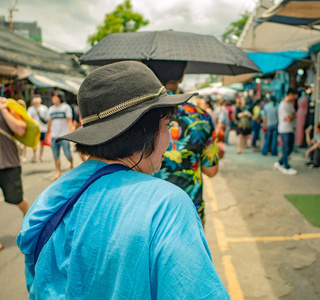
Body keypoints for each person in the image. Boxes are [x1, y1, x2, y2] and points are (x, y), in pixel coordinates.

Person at [17, 61, 229, 298]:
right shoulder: (167, 206)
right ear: (144, 131)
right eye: (166, 125)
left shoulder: (49, 198)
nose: (170, 141)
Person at [144, 60, 220, 226]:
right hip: (189, 212)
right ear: (182, 75)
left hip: (146, 211)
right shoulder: (201, 117)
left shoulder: (139, 115)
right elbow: (211, 170)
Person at [0, 97, 30, 251]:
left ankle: (29, 217)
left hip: (8, 162)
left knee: (16, 198)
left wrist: (4, 110)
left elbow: (20, 129)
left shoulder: (8, 106)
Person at [47, 90, 75, 181]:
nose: (53, 99)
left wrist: (70, 134)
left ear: (59, 98)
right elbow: (49, 123)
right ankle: (58, 172)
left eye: (55, 97)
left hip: (64, 135)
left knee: (67, 154)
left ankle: (71, 164)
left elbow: (69, 122)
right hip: (54, 136)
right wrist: (48, 134)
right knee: (56, 155)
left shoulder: (66, 107)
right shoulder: (51, 109)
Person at [274, 88, 298, 175]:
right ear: (291, 94)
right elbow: (288, 118)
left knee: (289, 148)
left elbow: (293, 115)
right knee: (286, 148)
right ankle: (285, 166)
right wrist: (291, 117)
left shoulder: (290, 104)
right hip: (284, 129)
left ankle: (280, 162)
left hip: (290, 128)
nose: (295, 97)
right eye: (295, 95)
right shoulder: (283, 105)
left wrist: (291, 117)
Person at [27, 94, 49, 163]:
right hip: (34, 129)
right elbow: (29, 118)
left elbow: (47, 119)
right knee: (35, 143)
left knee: (42, 143)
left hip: (43, 128)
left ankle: (40, 156)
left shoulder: (44, 108)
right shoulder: (31, 109)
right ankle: (34, 155)